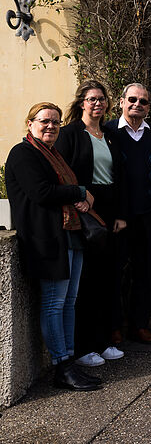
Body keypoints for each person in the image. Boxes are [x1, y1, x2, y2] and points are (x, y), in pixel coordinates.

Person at [6, 102, 101, 390]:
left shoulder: (53, 154)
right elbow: (41, 192)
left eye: (56, 122)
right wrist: (80, 191)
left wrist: (78, 196)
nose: (51, 126)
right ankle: (62, 366)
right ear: (30, 123)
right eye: (44, 121)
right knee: (54, 303)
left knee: (69, 301)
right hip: (46, 239)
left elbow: (61, 190)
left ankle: (69, 360)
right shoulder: (23, 153)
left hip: (69, 235)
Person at [55, 80, 127, 367]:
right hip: (84, 210)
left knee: (108, 278)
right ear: (81, 103)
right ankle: (83, 348)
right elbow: (61, 173)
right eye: (92, 99)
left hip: (109, 210)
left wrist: (120, 213)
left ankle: (103, 341)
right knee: (86, 281)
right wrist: (79, 198)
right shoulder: (69, 134)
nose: (98, 103)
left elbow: (120, 177)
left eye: (102, 99)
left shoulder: (110, 134)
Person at [104, 82, 151, 345]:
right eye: (132, 99)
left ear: (148, 107)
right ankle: (114, 326)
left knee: (146, 271)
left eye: (143, 101)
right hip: (118, 216)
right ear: (121, 102)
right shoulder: (107, 132)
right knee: (114, 272)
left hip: (148, 214)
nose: (137, 104)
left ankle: (140, 325)